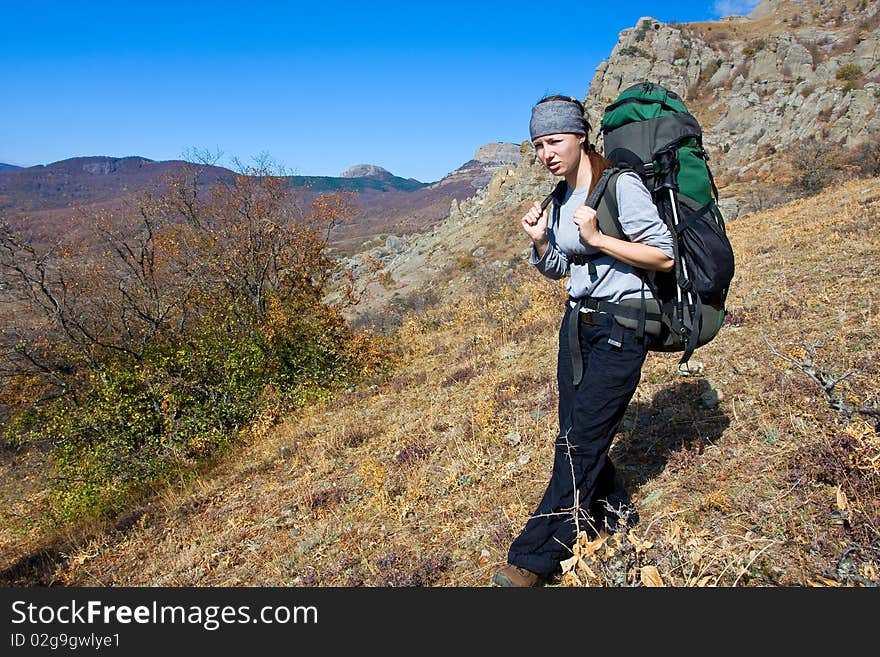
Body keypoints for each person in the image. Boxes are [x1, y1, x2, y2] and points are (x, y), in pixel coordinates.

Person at [492, 95, 675, 587]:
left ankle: (533, 560)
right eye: (538, 145)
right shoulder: (558, 199)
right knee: (577, 433)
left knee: (577, 443)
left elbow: (663, 256)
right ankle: (615, 514)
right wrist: (539, 240)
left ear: (580, 137)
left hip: (623, 327)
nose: (546, 152)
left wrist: (598, 240)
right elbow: (558, 269)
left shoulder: (620, 186)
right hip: (577, 328)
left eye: (554, 141)